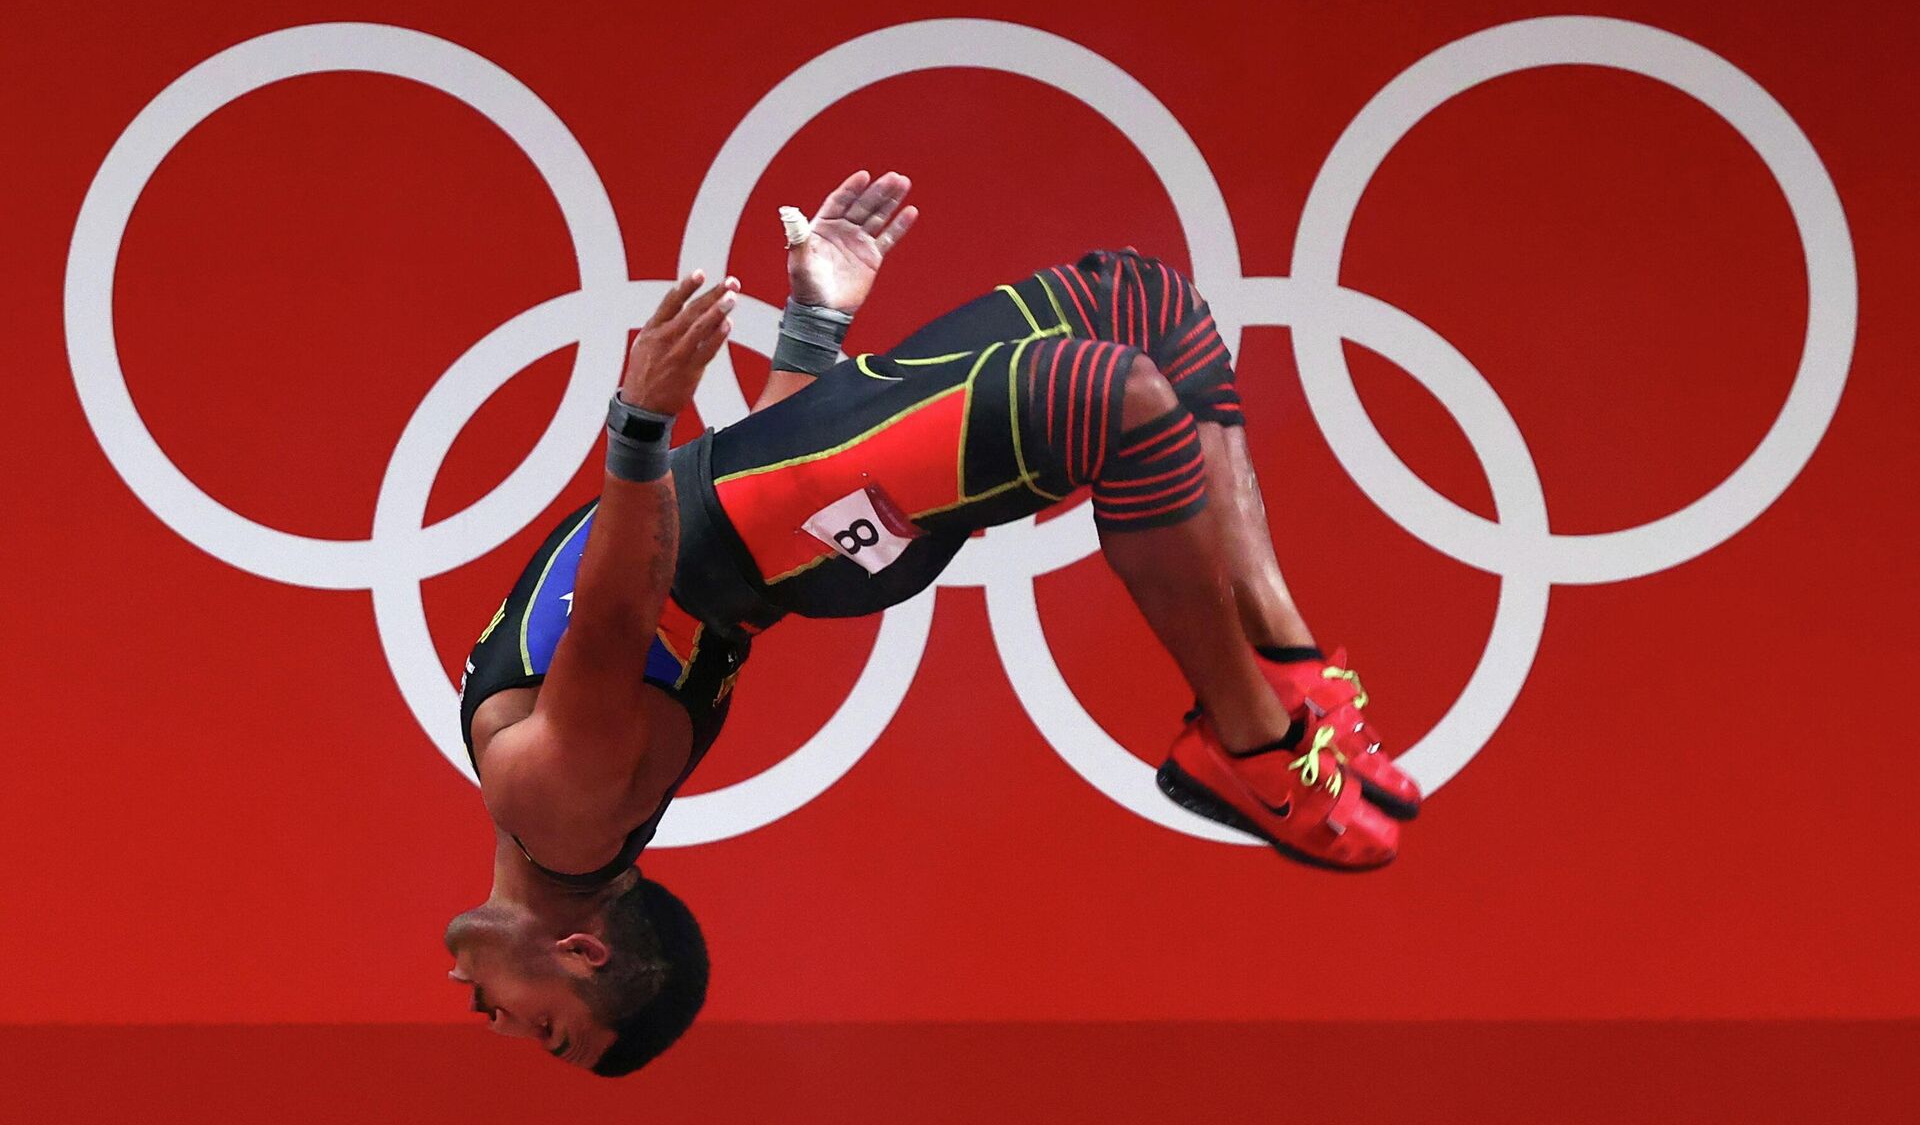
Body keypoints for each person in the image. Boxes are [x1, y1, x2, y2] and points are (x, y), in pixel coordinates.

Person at [445, 172, 1421, 1075]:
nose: (490, 1016)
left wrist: (812, 322)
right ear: (582, 949)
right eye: (544, 1026)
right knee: (1121, 405)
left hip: (799, 493)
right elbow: (620, 612)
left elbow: (708, 514)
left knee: (1148, 305)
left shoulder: (547, 813)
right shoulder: (557, 819)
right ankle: (1252, 742)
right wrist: (640, 421)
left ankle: (1284, 661)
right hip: (800, 514)